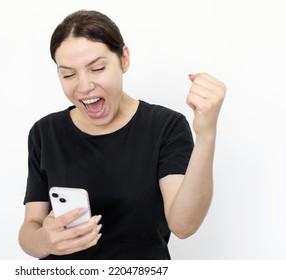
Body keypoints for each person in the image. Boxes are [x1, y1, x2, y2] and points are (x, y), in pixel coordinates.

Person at [18, 10, 226, 260]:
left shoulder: (165, 126)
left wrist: (206, 136)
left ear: (124, 59)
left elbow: (183, 226)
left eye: (97, 68)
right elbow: (30, 228)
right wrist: (44, 241)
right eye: (68, 74)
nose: (83, 86)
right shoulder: (45, 132)